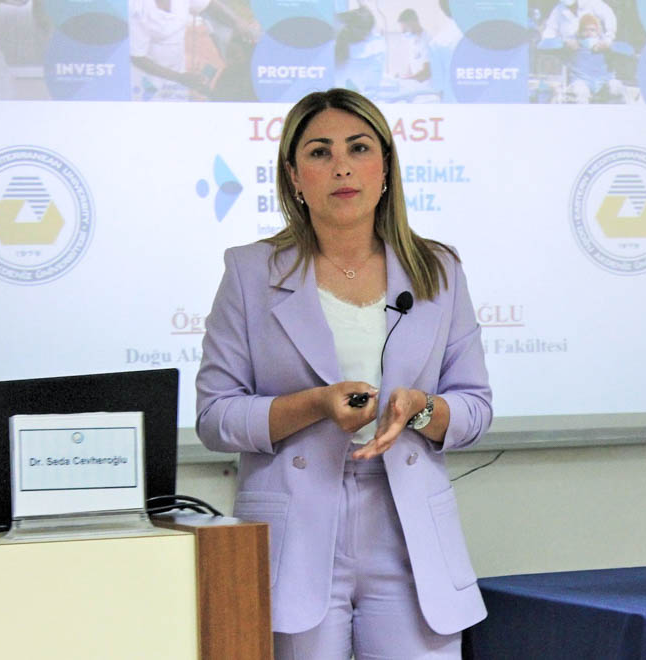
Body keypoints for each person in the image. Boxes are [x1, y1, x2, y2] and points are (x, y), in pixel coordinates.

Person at [196, 88, 492, 659]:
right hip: (294, 538)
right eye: (319, 152)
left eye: (358, 148)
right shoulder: (250, 272)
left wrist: (419, 409)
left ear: (385, 167)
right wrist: (315, 404)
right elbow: (215, 416)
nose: (341, 167)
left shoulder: (439, 270)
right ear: (293, 176)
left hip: (408, 537)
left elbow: (475, 408)